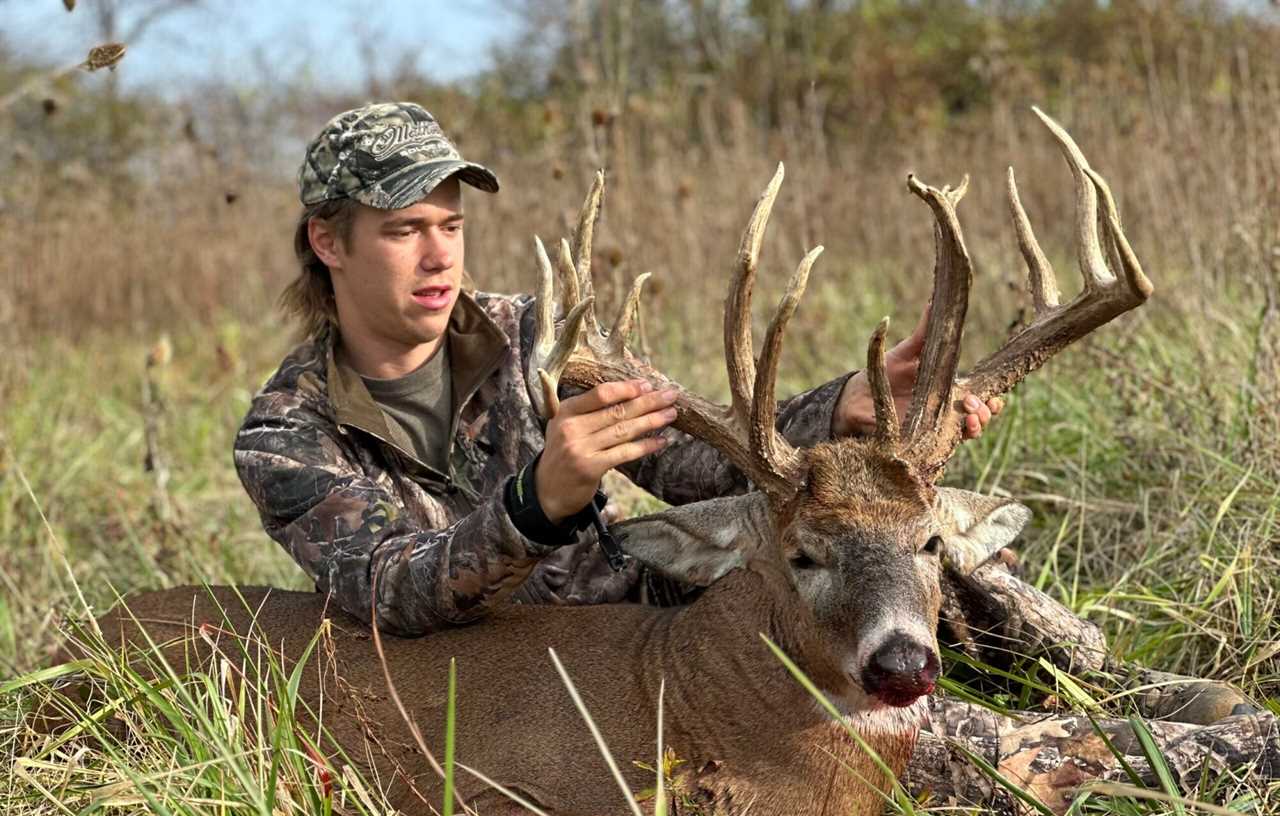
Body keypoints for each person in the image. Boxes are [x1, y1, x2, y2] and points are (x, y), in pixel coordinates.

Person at [234, 102, 1002, 636]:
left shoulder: (543, 335)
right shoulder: (287, 434)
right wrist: (536, 505)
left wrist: (844, 409)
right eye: (405, 230)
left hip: (642, 624)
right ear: (329, 243)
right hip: (473, 694)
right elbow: (390, 593)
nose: (440, 256)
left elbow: (693, 459)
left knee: (909, 562)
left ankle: (1099, 694)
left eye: (451, 225)